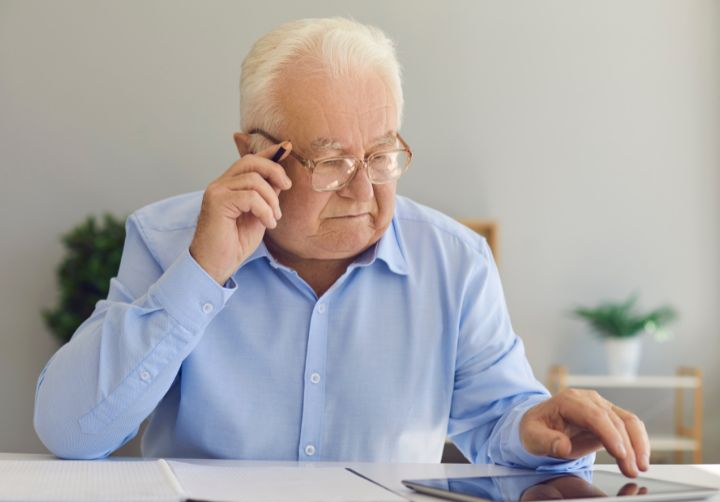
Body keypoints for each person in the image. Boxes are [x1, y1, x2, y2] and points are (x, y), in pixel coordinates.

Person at [34, 17, 649, 477]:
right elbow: (70, 432)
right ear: (255, 153)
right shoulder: (169, 240)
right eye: (330, 160)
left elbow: (497, 421)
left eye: (382, 155)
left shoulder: (455, 261)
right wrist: (202, 272)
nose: (363, 186)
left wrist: (532, 430)